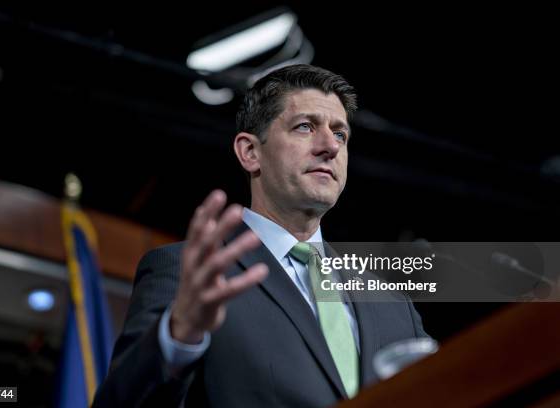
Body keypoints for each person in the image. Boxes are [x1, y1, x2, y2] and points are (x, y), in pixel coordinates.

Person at [92, 64, 428, 408]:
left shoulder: (393, 305)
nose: (330, 146)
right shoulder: (187, 271)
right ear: (250, 153)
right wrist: (178, 336)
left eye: (340, 134)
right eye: (305, 127)